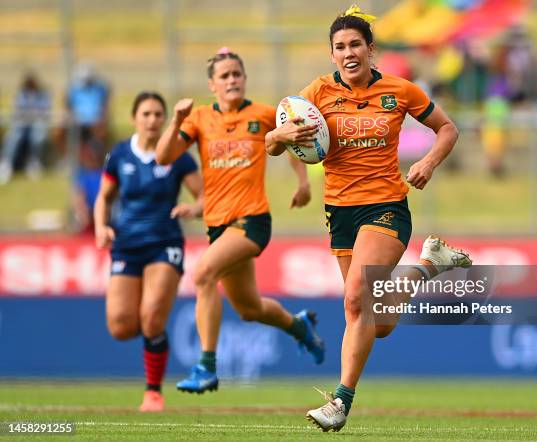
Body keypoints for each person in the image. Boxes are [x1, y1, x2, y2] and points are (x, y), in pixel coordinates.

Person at [266, 4, 471, 432]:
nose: (348, 52)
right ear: (332, 54)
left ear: (370, 48)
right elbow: (274, 140)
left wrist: (430, 163)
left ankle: (340, 402)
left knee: (355, 300)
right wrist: (280, 136)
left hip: (386, 208)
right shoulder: (318, 93)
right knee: (376, 323)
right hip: (339, 212)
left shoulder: (400, 91)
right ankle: (429, 265)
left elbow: (447, 128)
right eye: (339, 47)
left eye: (355, 43)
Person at [155, 48, 326, 395]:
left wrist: (304, 183)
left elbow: (293, 139)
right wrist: (176, 120)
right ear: (212, 84)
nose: (232, 80)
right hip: (218, 226)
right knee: (249, 309)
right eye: (225, 75)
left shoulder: (263, 114)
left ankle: (206, 366)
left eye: (237, 74)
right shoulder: (199, 118)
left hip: (252, 220)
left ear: (244, 79)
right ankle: (299, 326)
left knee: (203, 274)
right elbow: (163, 157)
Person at [94, 91, 202, 412]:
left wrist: (193, 209)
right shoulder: (119, 155)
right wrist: (101, 226)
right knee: (121, 326)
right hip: (127, 244)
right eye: (147, 114)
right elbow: (104, 197)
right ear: (134, 118)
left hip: (164, 243)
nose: (153, 120)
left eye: (158, 114)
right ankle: (153, 337)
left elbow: (205, 196)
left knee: (153, 316)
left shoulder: (178, 156)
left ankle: (153, 392)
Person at [0, 72, 50, 185]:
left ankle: (34, 163)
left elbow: (44, 112)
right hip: (22, 124)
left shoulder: (42, 95)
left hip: (36, 124)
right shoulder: (21, 94)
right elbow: (17, 112)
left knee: (38, 136)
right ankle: (6, 164)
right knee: (14, 136)